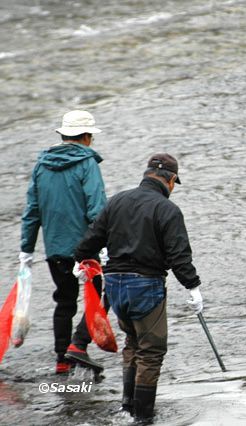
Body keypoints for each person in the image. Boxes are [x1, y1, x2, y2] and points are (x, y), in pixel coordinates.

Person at [74, 153, 203, 422]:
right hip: (146, 285)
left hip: (116, 286)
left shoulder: (116, 201)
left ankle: (126, 406)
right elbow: (179, 255)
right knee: (151, 351)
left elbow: (91, 239)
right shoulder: (167, 210)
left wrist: (80, 260)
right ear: (170, 179)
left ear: (147, 174)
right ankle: (143, 417)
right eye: (173, 184)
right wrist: (193, 287)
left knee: (132, 343)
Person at [20, 110, 109, 374]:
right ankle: (79, 346)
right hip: (86, 249)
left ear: (63, 134)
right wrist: (104, 245)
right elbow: (97, 209)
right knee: (102, 295)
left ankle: (61, 359)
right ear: (86, 136)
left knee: (65, 300)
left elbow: (32, 211)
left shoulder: (41, 165)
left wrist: (26, 250)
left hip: (55, 249)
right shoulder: (87, 164)